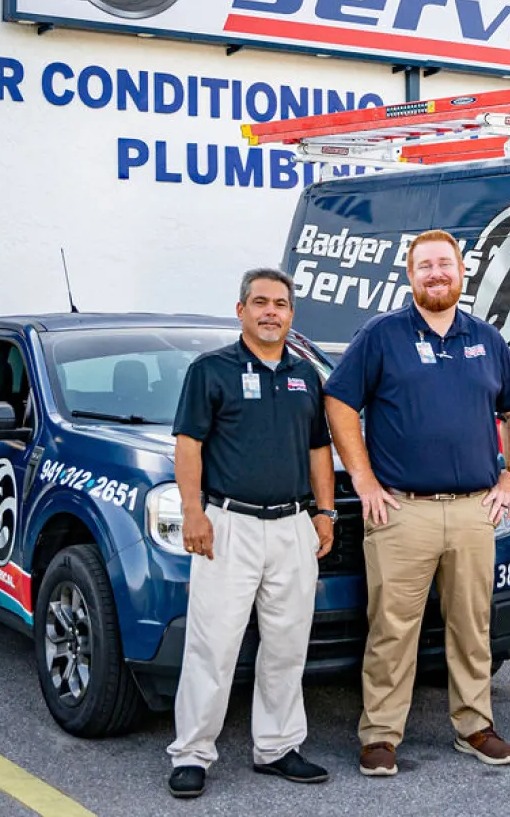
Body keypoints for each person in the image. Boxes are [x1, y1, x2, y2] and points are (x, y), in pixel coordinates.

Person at [324, 229, 510, 777]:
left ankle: (475, 725)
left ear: (461, 271)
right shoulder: (381, 335)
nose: (436, 273)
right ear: (410, 274)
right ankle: (379, 735)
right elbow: (340, 402)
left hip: (473, 511)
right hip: (402, 511)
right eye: (426, 266)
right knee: (392, 630)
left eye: (445, 264)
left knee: (472, 627)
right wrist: (364, 480)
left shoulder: (486, 339)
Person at [166, 268, 336, 799]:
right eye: (259, 302)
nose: (270, 312)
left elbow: (317, 451)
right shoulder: (210, 371)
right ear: (240, 311)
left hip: (291, 527)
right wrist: (193, 513)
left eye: (280, 304)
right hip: (227, 526)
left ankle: (278, 747)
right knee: (212, 646)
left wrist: (325, 512)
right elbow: (189, 445)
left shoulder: (306, 376)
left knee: (287, 646)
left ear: (291, 314)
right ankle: (192, 753)